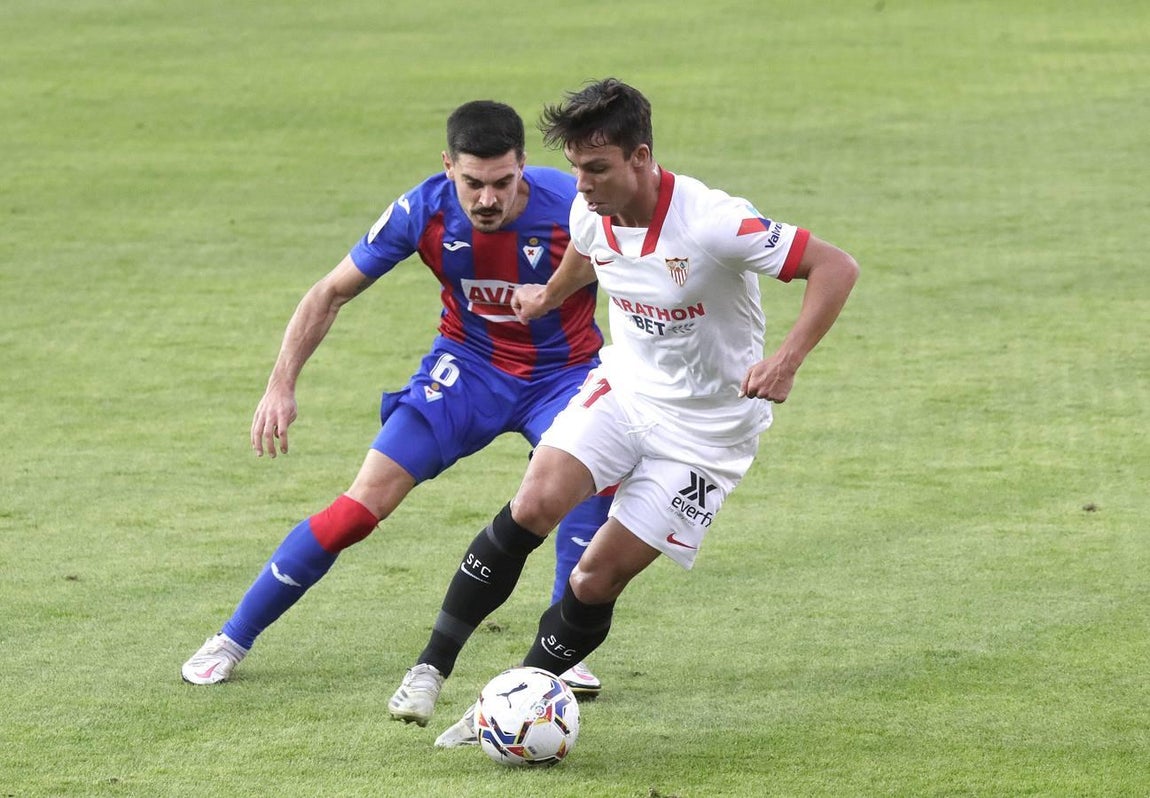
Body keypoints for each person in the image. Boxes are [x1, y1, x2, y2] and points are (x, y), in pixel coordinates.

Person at [389, 78, 860, 747]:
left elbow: (836, 267)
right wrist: (549, 297)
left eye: (598, 169)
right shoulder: (590, 207)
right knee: (533, 504)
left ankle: (513, 700)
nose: (582, 183)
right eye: (578, 167)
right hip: (626, 391)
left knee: (594, 576)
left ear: (641, 157)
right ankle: (430, 669)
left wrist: (786, 360)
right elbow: (589, 252)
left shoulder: (714, 222)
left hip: (707, 434)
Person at [180, 100, 613, 716]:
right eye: (472, 183)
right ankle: (232, 637)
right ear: (447, 168)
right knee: (361, 508)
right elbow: (330, 292)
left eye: (501, 182)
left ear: (523, 165)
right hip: (466, 370)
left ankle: (565, 651)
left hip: (564, 374)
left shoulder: (576, 205)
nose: (486, 199)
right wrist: (281, 384)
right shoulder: (423, 209)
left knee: (591, 483)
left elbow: (644, 272)